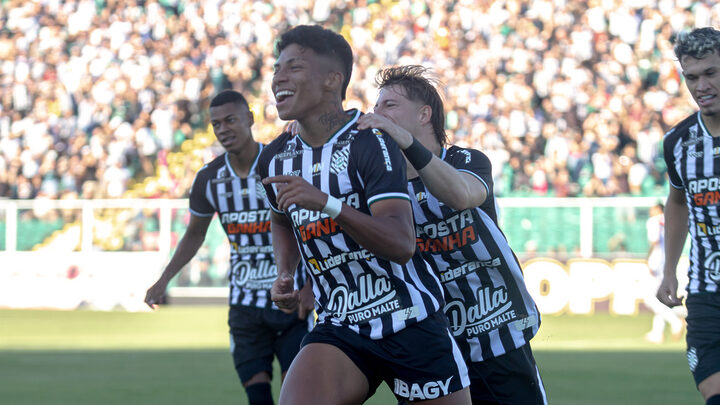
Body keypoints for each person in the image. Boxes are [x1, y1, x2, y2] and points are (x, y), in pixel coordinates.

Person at [257, 25, 471, 405]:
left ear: (331, 80)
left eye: (293, 67)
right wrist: (285, 272)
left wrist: (326, 204)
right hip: (340, 324)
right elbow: (280, 216)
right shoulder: (275, 157)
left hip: (410, 320)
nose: (278, 78)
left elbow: (401, 244)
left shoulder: (370, 142)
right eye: (277, 68)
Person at [356, 65, 547, 404]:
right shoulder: (382, 185)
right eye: (376, 106)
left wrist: (406, 142)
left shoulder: (467, 160)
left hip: (494, 329)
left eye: (389, 105)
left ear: (424, 114)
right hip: (431, 343)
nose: (377, 113)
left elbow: (461, 195)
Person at [144, 90, 313, 405]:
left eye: (231, 120)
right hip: (244, 305)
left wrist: (312, 284)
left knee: (298, 396)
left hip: (291, 301)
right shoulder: (209, 178)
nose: (223, 129)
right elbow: (194, 234)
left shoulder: (280, 162)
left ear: (249, 119)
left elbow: (312, 225)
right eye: (216, 124)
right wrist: (164, 279)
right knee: (257, 397)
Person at [657, 27, 720, 405]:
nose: (701, 85)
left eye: (711, 73)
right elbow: (677, 202)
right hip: (706, 291)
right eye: (691, 77)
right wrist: (669, 270)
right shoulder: (677, 142)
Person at [643, 202, 684, 344]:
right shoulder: (670, 218)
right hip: (668, 260)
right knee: (661, 296)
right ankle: (657, 333)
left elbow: (654, 241)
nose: (650, 211)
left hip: (656, 260)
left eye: (652, 208)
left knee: (649, 298)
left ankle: (675, 321)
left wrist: (649, 259)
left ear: (658, 209)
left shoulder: (653, 221)